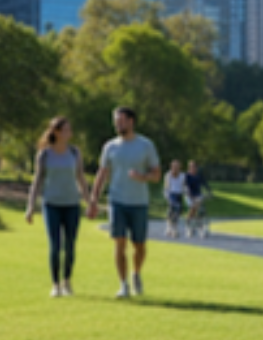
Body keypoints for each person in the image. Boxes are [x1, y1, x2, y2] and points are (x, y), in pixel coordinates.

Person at [88, 106, 161, 298]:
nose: (117, 124)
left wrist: (142, 177)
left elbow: (156, 175)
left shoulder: (146, 145)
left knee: (139, 245)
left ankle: (136, 273)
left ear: (131, 121)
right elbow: (102, 173)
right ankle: (123, 285)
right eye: (116, 121)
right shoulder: (110, 147)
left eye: (121, 121)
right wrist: (94, 198)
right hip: (117, 200)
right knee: (119, 243)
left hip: (139, 202)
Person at [25, 117, 90, 297]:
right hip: (51, 204)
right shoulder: (44, 155)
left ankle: (67, 282)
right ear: (57, 132)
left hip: (72, 205)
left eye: (70, 129)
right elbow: (37, 182)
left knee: (70, 245)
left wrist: (89, 201)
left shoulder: (75, 153)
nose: (70, 133)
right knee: (55, 245)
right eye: (66, 130)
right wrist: (30, 207)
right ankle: (55, 285)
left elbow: (81, 178)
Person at [164, 160, 187, 237]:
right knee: (172, 210)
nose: (176, 169)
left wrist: (186, 192)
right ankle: (172, 228)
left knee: (178, 212)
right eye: (174, 167)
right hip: (171, 194)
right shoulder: (168, 175)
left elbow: (184, 186)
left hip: (179, 194)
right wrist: (167, 196)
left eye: (177, 167)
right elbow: (166, 187)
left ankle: (173, 227)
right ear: (171, 167)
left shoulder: (182, 176)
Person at [185, 160, 211, 224]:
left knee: (200, 208)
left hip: (198, 195)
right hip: (189, 195)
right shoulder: (187, 176)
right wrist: (189, 194)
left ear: (197, 167)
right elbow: (186, 186)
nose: (193, 168)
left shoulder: (199, 176)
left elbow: (205, 183)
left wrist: (209, 191)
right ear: (189, 168)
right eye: (191, 167)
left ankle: (199, 221)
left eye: (194, 167)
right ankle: (188, 221)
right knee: (193, 207)